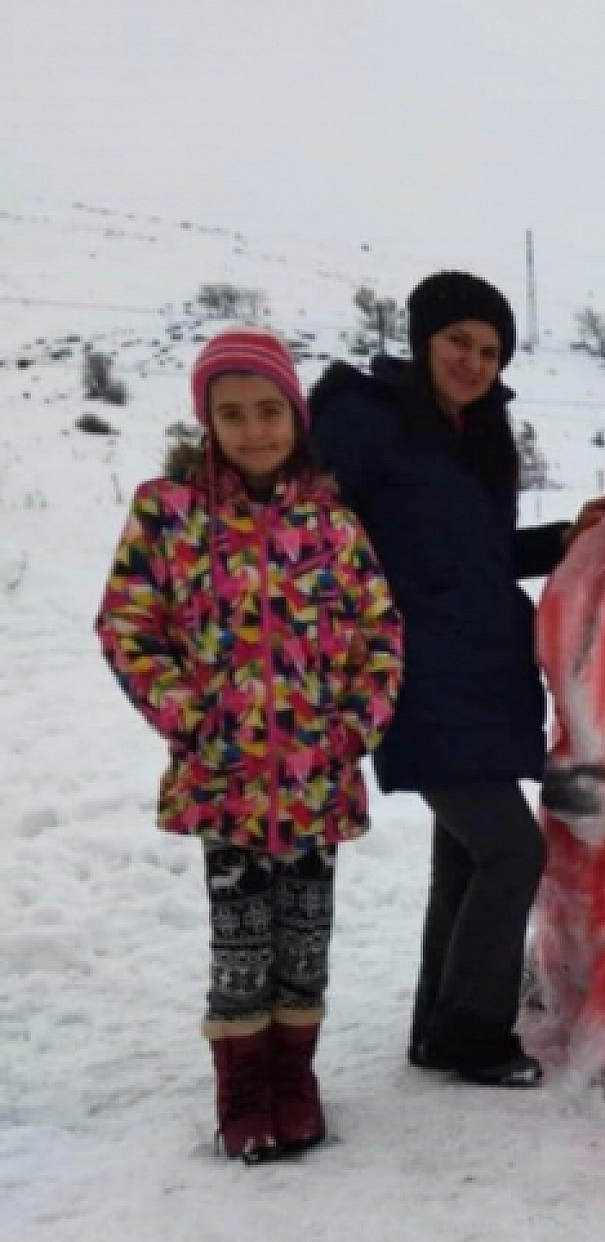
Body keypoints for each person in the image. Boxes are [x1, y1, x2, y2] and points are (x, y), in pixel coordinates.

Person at [95, 327, 403, 1163]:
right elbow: (127, 624)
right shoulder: (170, 513)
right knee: (241, 944)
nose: (255, 428)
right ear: (209, 423)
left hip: (316, 779)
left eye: (269, 410)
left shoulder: (331, 522)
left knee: (306, 938)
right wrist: (187, 712)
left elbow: (380, 630)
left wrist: (354, 728)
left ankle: (294, 1081)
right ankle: (241, 1091)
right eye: (233, 414)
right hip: (225, 779)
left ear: (296, 417)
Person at [308, 270, 605, 1088]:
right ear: (422, 340)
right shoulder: (365, 421)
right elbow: (314, 539)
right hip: (411, 672)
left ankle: (436, 1028)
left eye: (490, 350)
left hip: (480, 671)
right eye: (459, 342)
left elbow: (483, 560)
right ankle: (473, 1033)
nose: (475, 361)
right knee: (512, 852)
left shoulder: (475, 441)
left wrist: (567, 538)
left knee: (466, 861)